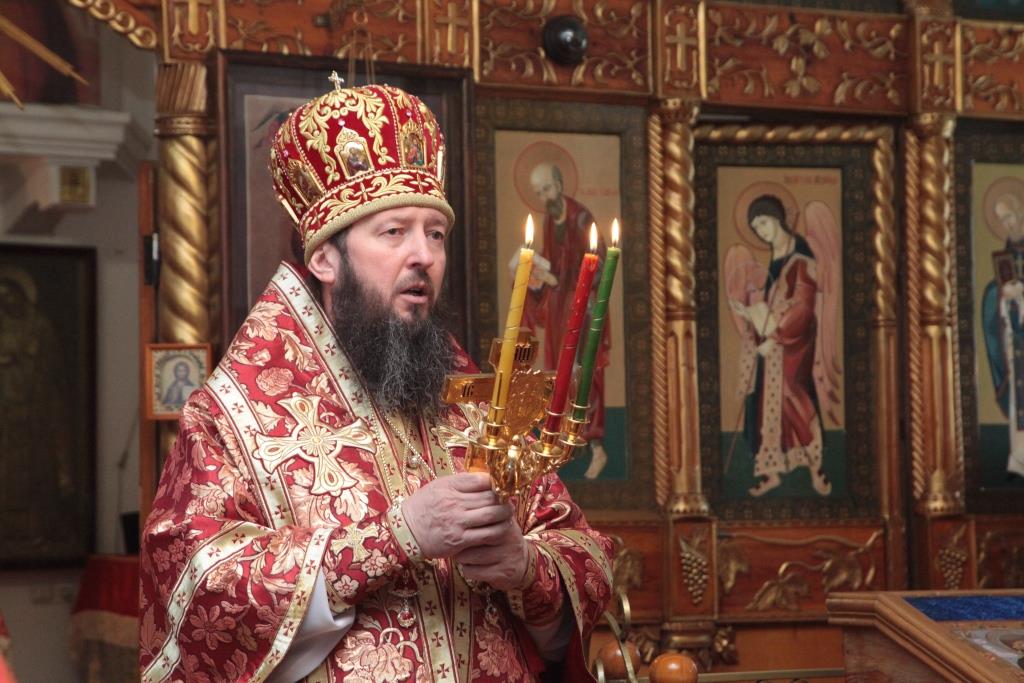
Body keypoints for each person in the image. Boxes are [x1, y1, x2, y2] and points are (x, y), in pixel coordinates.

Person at [139, 82, 613, 683]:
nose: (424, 256)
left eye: (435, 234)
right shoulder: (234, 416)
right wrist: (397, 536)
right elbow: (197, 595)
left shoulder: (473, 402)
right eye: (394, 232)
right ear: (325, 259)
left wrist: (525, 568)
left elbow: (581, 548)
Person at [727, 195, 835, 497]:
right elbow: (773, 302)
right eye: (756, 228)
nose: (761, 231)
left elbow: (802, 308)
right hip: (772, 345)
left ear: (777, 219)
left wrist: (775, 336)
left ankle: (816, 469)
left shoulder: (801, 258)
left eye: (763, 223)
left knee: (795, 399)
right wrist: (749, 314)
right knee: (766, 405)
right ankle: (772, 473)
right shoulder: (775, 258)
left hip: (794, 345)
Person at [524, 162, 612, 479]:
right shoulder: (550, 219)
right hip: (561, 308)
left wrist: (567, 285)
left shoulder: (581, 218)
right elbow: (552, 262)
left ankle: (597, 447)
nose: (544, 197)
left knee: (586, 372)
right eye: (538, 192)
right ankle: (563, 444)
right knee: (561, 370)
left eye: (547, 189)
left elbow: (599, 265)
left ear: (560, 185)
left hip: (584, 307)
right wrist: (537, 275)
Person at [982, 189, 1024, 479]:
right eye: (1001, 220)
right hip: (1017, 341)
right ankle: (1019, 458)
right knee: (1017, 398)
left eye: (1008, 216)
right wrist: (1003, 295)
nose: (1006, 224)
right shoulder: (1006, 256)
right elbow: (998, 294)